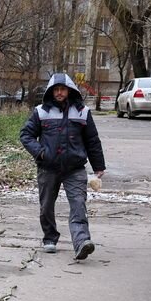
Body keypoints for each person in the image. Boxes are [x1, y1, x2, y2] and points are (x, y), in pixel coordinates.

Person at [20, 73, 106, 260]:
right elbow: (26, 135)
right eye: (56, 90)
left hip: (75, 168)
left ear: (70, 91)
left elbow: (92, 140)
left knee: (78, 204)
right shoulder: (41, 112)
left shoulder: (82, 112)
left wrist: (98, 166)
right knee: (46, 206)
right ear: (51, 92)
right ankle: (50, 237)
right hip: (48, 168)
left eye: (63, 89)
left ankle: (81, 241)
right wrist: (40, 152)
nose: (59, 93)